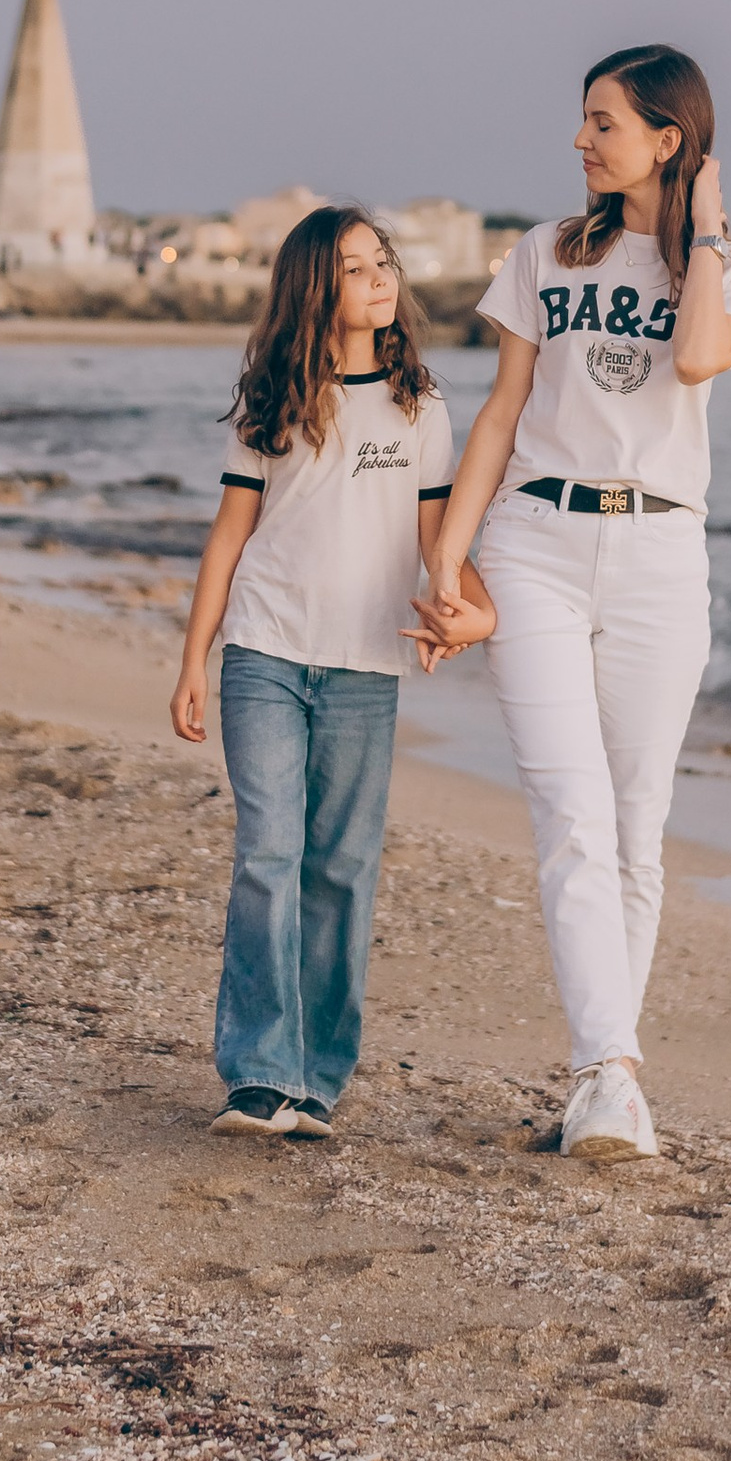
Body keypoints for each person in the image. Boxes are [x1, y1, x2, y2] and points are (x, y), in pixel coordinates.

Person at [418, 44, 731, 1161]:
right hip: (536, 543)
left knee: (635, 827)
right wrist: (446, 558)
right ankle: (608, 1077)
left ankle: (604, 1072)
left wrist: (702, 230)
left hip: (662, 553)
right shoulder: (543, 255)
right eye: (581, 120)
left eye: (604, 123)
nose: (580, 140)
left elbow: (701, 360)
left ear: (667, 138)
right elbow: (499, 411)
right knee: (568, 814)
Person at [170, 205, 457, 1138]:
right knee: (266, 855)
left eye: (384, 264)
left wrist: (462, 605)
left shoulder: (422, 405)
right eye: (355, 268)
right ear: (313, 287)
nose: (379, 280)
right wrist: (193, 658)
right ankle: (258, 1074)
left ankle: (318, 1080)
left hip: (366, 667)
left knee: (340, 868)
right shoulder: (273, 396)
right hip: (263, 652)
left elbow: (434, 539)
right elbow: (230, 533)